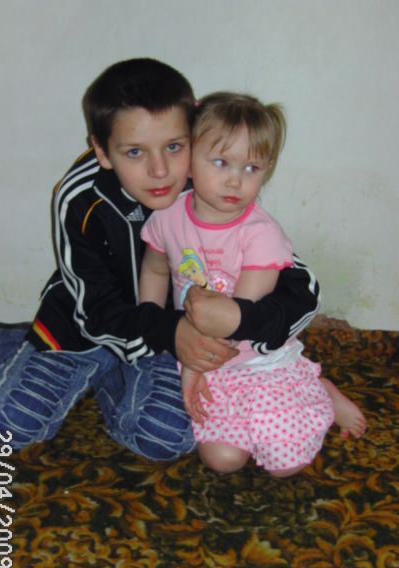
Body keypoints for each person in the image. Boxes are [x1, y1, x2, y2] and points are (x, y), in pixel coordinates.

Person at [0, 59, 323, 460]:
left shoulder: (213, 183)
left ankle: (112, 379)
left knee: (167, 439)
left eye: (174, 147)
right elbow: (94, 306)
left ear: (194, 135)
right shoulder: (79, 196)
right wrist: (171, 330)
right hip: (87, 329)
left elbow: (300, 288)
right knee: (10, 429)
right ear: (102, 151)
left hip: (171, 337)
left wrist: (240, 319)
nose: (159, 171)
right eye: (133, 152)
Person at [139, 91, 366, 475]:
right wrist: (151, 321)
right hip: (205, 356)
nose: (235, 180)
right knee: (223, 461)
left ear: (268, 169)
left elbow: (238, 321)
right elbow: (155, 270)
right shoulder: (167, 218)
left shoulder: (262, 234)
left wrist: (193, 367)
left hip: (259, 360)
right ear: (189, 160)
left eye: (251, 168)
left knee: (285, 466)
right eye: (221, 162)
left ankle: (320, 392)